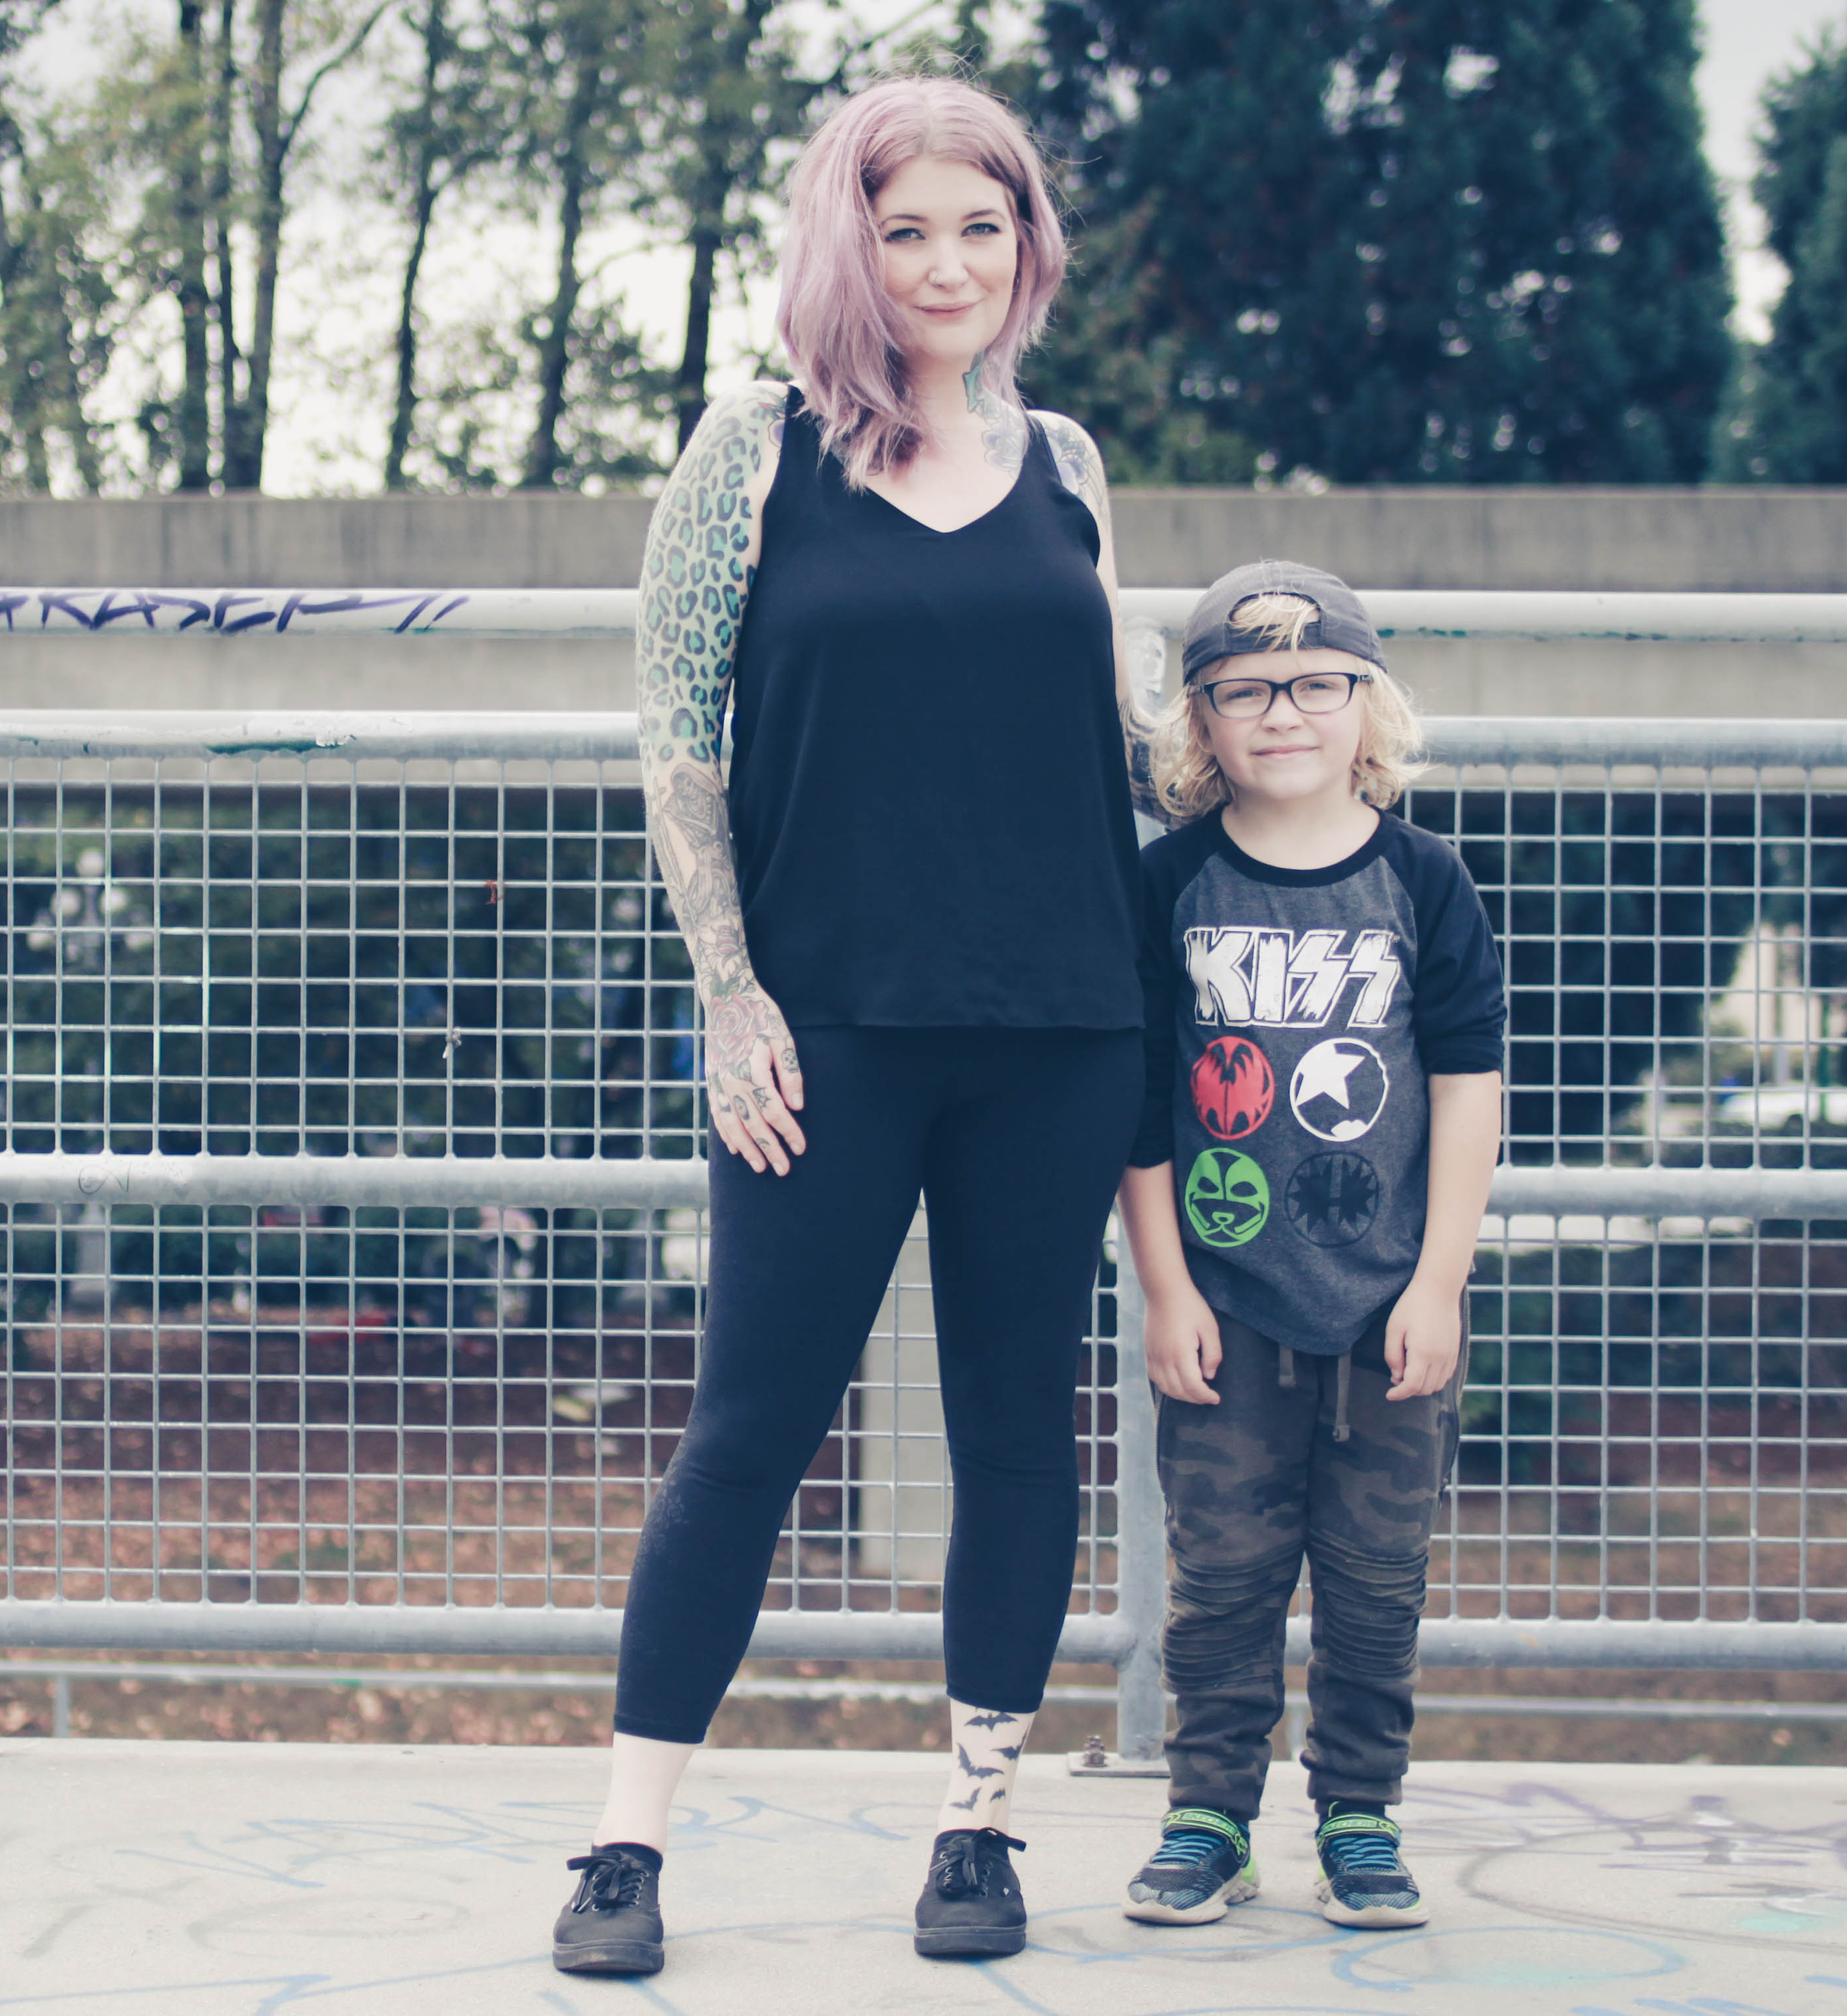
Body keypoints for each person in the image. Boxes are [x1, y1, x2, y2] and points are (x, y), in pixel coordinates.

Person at [551, 75, 1156, 1976]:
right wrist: (730, 994)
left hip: (1058, 1023)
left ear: (1026, 243)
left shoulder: (1068, 465)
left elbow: (1119, 742)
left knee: (1017, 1434)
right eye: (907, 230)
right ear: (849, 242)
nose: (948, 263)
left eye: (983, 226)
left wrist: (1305, 737)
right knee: (748, 1430)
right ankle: (623, 1848)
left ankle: (977, 1819)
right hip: (829, 1041)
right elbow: (676, 741)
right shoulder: (754, 449)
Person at [1111, 561, 1503, 1934]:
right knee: (1219, 1574)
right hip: (1225, 1295)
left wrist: (1440, 1277)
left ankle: (1358, 1813)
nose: (1284, 713)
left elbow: (1464, 1083)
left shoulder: (1424, 880)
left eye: (1315, 683)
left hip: (1387, 1294)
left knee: (1375, 1575)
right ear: (1200, 724)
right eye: (1243, 692)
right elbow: (1142, 1099)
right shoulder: (1167, 883)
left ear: (1365, 703)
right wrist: (1163, 1282)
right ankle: (1207, 1814)